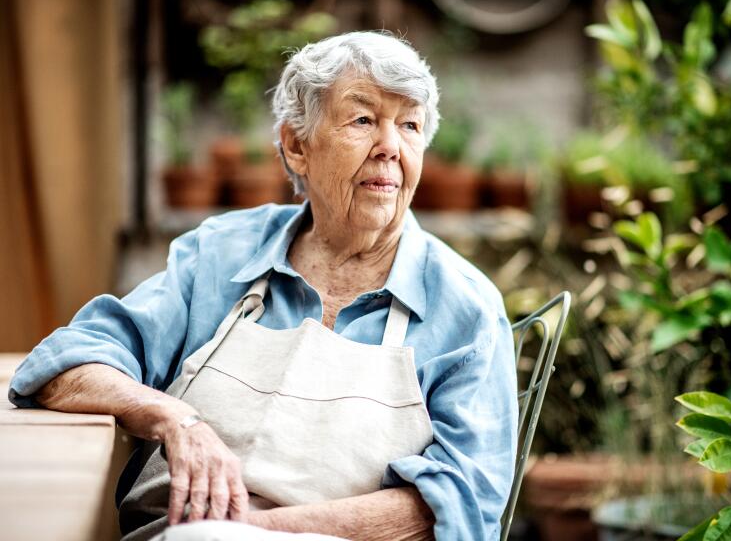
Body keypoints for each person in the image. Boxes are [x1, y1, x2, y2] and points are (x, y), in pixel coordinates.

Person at [8, 31, 517, 541]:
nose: (390, 147)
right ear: (297, 145)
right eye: (363, 120)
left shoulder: (464, 305)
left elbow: (463, 501)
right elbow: (67, 361)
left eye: (409, 125)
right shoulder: (221, 254)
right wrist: (174, 418)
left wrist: (248, 530)